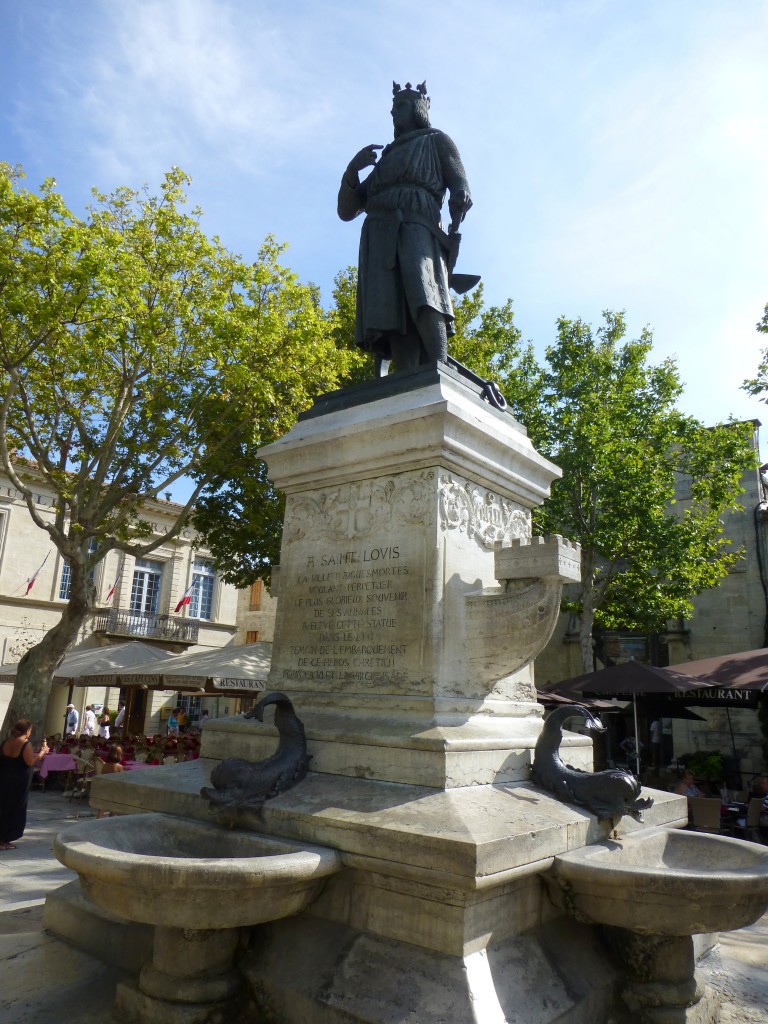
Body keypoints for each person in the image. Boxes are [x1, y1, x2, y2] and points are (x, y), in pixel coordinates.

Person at [338, 81, 472, 374]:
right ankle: (407, 373)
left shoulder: (436, 140)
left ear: (417, 108)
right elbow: (347, 211)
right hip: (379, 235)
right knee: (390, 306)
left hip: (416, 225)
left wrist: (460, 196)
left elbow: (461, 185)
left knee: (424, 291)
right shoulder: (386, 159)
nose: (393, 113)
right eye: (392, 108)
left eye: (400, 106)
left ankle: (439, 365)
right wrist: (351, 172)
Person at [0, 720, 49, 850]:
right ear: (27, 731)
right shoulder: (25, 744)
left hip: (4, 780)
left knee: (3, 808)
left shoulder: (6, 742)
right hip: (18, 782)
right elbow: (30, 761)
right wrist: (41, 754)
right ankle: (4, 840)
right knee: (15, 809)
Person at [96, 745, 124, 819]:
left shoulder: (105, 765)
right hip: (114, 790)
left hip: (104, 788)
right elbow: (121, 780)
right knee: (113, 809)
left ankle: (97, 822)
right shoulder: (119, 766)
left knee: (101, 810)